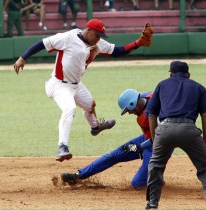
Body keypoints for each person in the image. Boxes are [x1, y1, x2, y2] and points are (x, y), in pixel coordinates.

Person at [13, 19, 153, 162]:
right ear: (88, 30)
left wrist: (138, 43)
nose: (99, 38)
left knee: (90, 105)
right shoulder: (68, 38)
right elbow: (42, 43)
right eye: (97, 35)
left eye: (101, 36)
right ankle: (62, 147)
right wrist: (22, 58)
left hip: (76, 85)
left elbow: (117, 51)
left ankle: (95, 127)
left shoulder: (96, 43)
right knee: (69, 109)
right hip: (59, 85)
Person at [145, 61, 206, 210]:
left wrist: (154, 138)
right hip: (189, 129)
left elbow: (151, 115)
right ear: (188, 74)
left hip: (164, 129)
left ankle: (152, 202)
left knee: (155, 165)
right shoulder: (198, 87)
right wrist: (205, 144)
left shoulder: (162, 85)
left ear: (171, 74)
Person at [61, 89, 173, 189]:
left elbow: (161, 138)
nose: (129, 113)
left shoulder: (152, 113)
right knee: (114, 155)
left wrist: (140, 147)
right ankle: (79, 175)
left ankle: (155, 178)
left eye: (128, 110)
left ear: (133, 103)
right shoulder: (145, 97)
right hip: (147, 139)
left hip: (159, 147)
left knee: (137, 184)